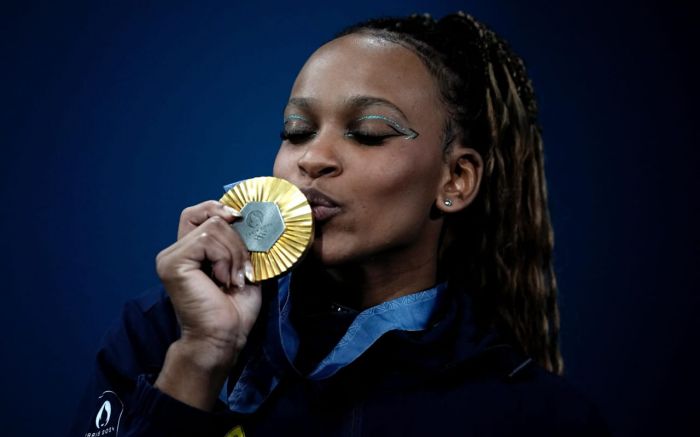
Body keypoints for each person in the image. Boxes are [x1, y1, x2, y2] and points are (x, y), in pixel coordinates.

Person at [70, 12, 609, 437]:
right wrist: (200, 358)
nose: (313, 158)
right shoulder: (163, 333)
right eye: (297, 130)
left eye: (369, 132)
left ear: (456, 180)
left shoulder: (535, 416)